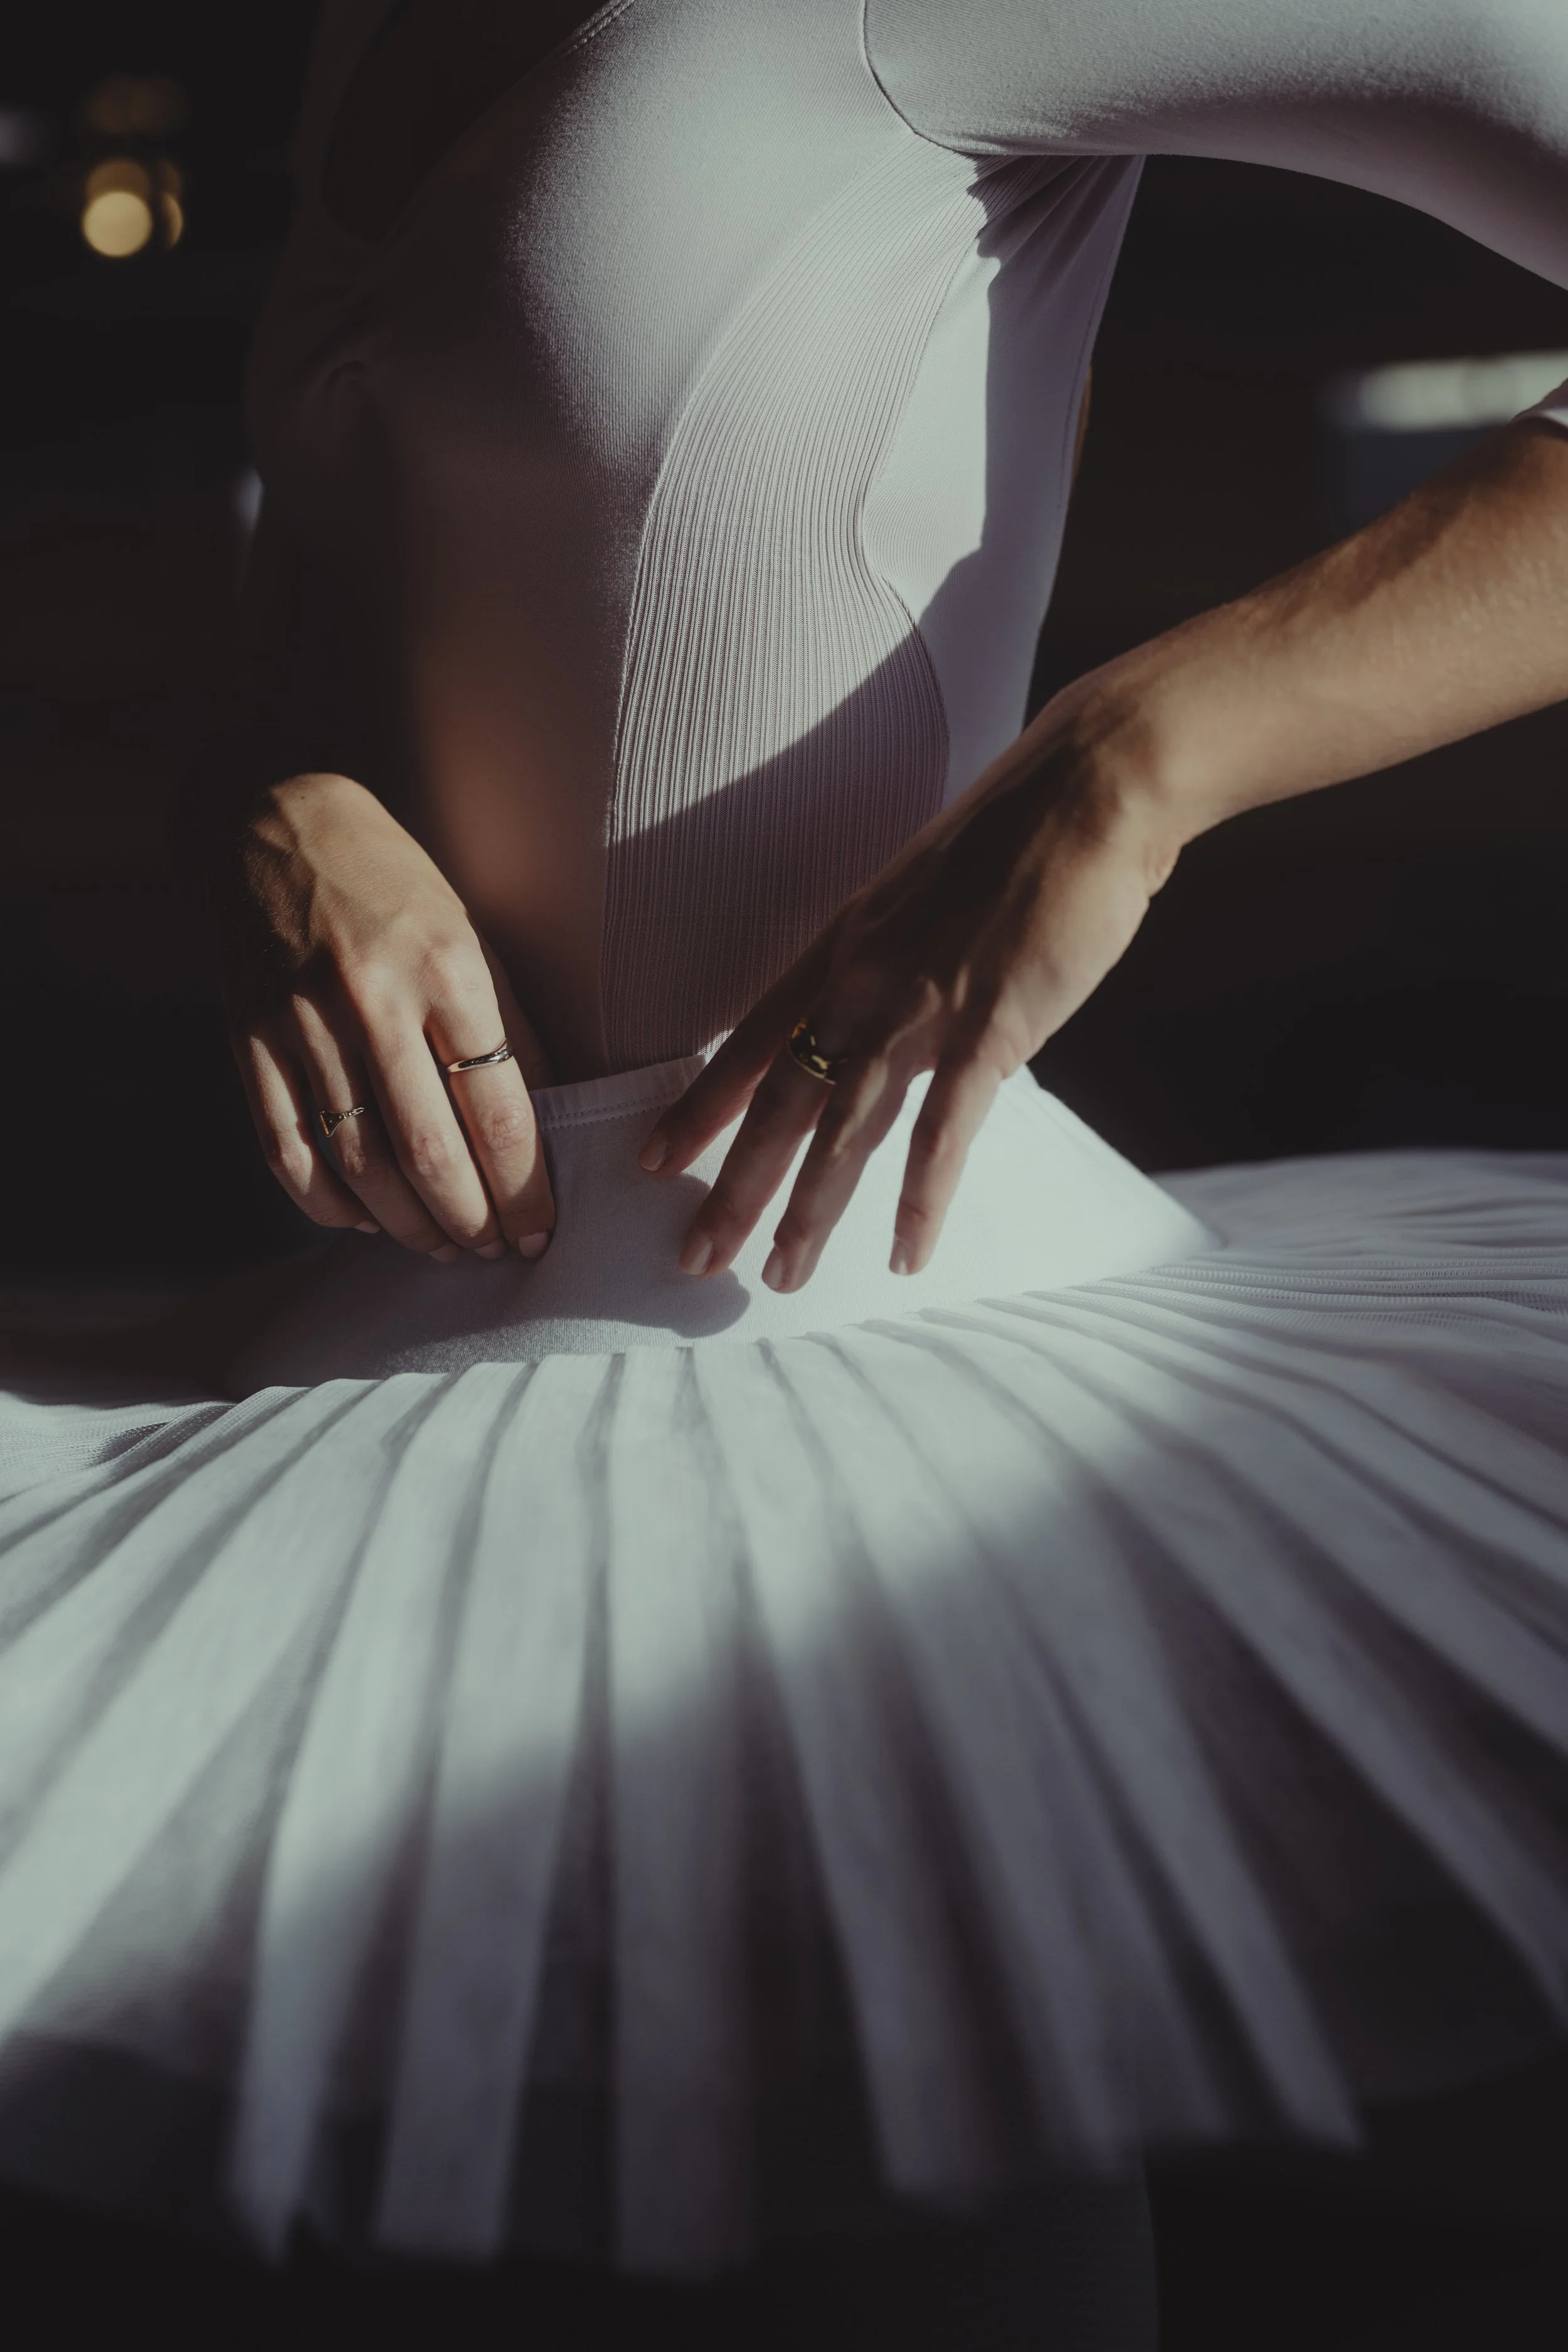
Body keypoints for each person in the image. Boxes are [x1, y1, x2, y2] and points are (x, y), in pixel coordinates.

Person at [3, 3, 1568, 2342]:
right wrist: (260, 811)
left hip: (830, 1388)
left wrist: (1151, 747)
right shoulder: (356, 42)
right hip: (399, 1414)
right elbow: (342, 629)